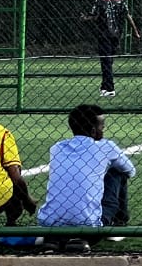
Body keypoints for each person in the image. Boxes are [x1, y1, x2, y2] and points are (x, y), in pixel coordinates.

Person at [37, 103, 135, 250]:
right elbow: (130, 171)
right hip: (89, 224)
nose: (104, 129)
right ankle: (118, 224)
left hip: (49, 223)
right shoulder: (106, 146)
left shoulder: (56, 148)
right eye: (102, 127)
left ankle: (55, 239)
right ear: (94, 130)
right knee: (118, 172)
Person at [86, 0, 139, 97]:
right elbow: (127, 16)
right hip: (116, 34)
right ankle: (104, 86)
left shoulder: (100, 0)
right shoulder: (120, 0)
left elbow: (94, 16)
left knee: (106, 61)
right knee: (109, 60)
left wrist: (85, 18)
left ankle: (110, 88)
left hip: (104, 34)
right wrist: (135, 31)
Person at [0, 104, 36, 228]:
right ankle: (11, 224)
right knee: (16, 182)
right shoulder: (2, 132)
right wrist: (27, 200)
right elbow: (15, 174)